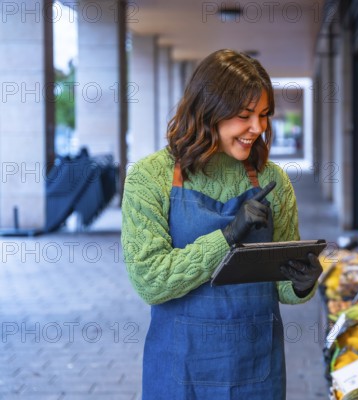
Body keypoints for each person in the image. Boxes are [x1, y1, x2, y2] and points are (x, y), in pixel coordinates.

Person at [121, 49, 323, 399]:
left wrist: (302, 283)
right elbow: (150, 282)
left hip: (256, 368)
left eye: (263, 115)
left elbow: (283, 290)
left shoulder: (273, 181)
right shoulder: (148, 177)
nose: (257, 128)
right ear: (208, 109)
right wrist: (227, 237)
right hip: (180, 370)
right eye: (245, 116)